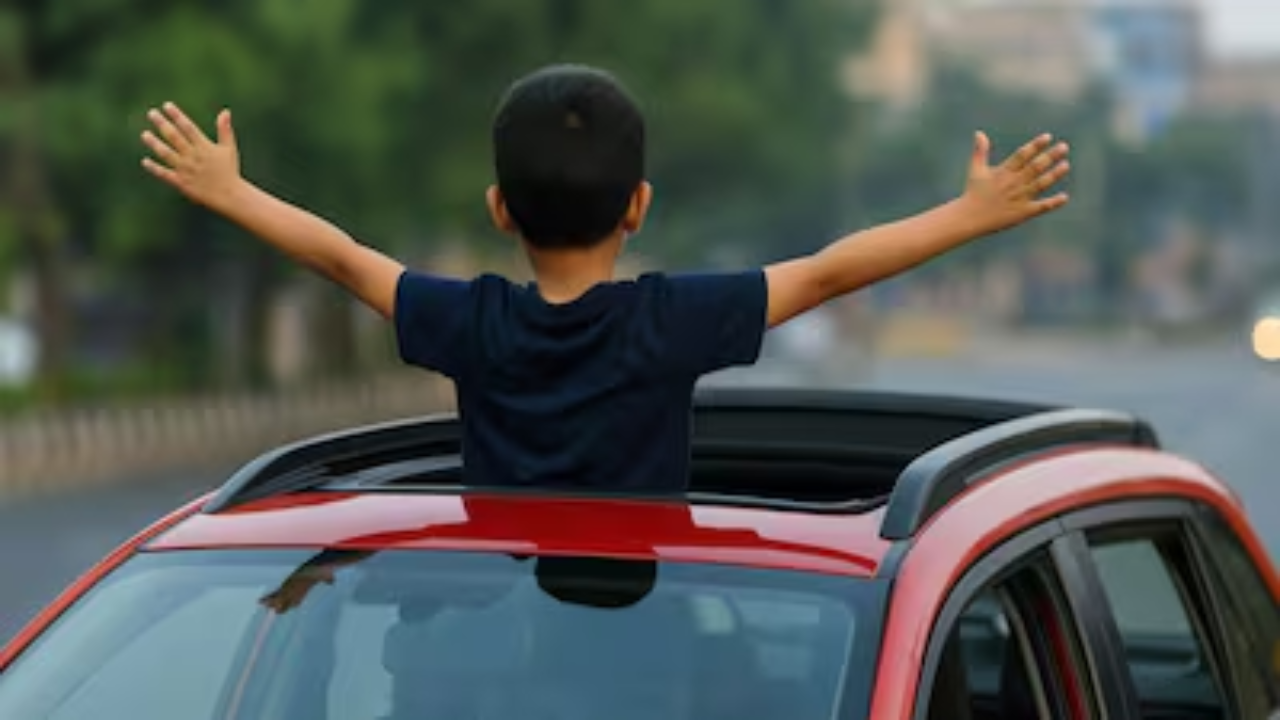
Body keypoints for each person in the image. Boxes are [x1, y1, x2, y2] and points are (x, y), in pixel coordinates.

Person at [138, 63, 1070, 492]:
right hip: (644, 617)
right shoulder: (669, 322)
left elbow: (343, 258)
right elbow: (826, 275)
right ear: (640, 206)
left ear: (500, 209)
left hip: (490, 613)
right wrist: (971, 214)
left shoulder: (470, 322)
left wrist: (229, 190)